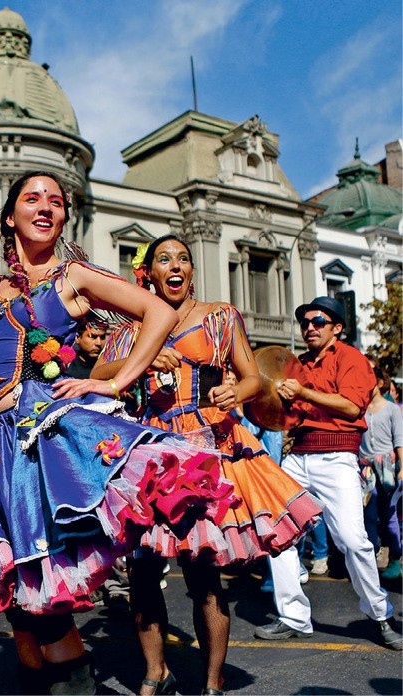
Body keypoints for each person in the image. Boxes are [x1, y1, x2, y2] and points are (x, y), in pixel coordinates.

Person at [0, 171, 238, 694]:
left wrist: (118, 378)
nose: (45, 207)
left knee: (40, 581)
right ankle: (45, 680)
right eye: (32, 199)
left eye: (55, 201)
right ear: (9, 217)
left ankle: (75, 683)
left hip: (37, 442)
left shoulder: (72, 278)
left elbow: (157, 312)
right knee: (14, 595)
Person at [92, 235, 322, 695]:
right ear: (149, 273)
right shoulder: (130, 327)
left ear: (191, 271)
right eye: (164, 259)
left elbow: (254, 375)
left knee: (204, 572)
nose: (175, 266)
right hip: (150, 451)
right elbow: (99, 376)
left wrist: (237, 391)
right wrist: (141, 358)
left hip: (207, 449)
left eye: (183, 259)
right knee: (141, 571)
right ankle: (156, 672)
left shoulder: (219, 316)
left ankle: (212, 682)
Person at [253, 296, 403, 650]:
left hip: (337, 457)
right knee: (279, 532)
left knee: (353, 540)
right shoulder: (296, 363)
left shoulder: (352, 359)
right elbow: (277, 408)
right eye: (305, 323)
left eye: (318, 322)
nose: (309, 328)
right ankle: (293, 616)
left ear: (337, 328)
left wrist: (303, 391)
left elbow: (352, 406)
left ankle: (381, 614)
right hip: (298, 454)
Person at [360, 367, 402, 581]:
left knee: (389, 515)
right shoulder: (361, 408)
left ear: (378, 383)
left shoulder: (392, 409)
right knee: (368, 514)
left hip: (388, 468)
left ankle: (396, 558)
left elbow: (399, 440)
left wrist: (402, 468)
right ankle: (370, 558)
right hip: (366, 468)